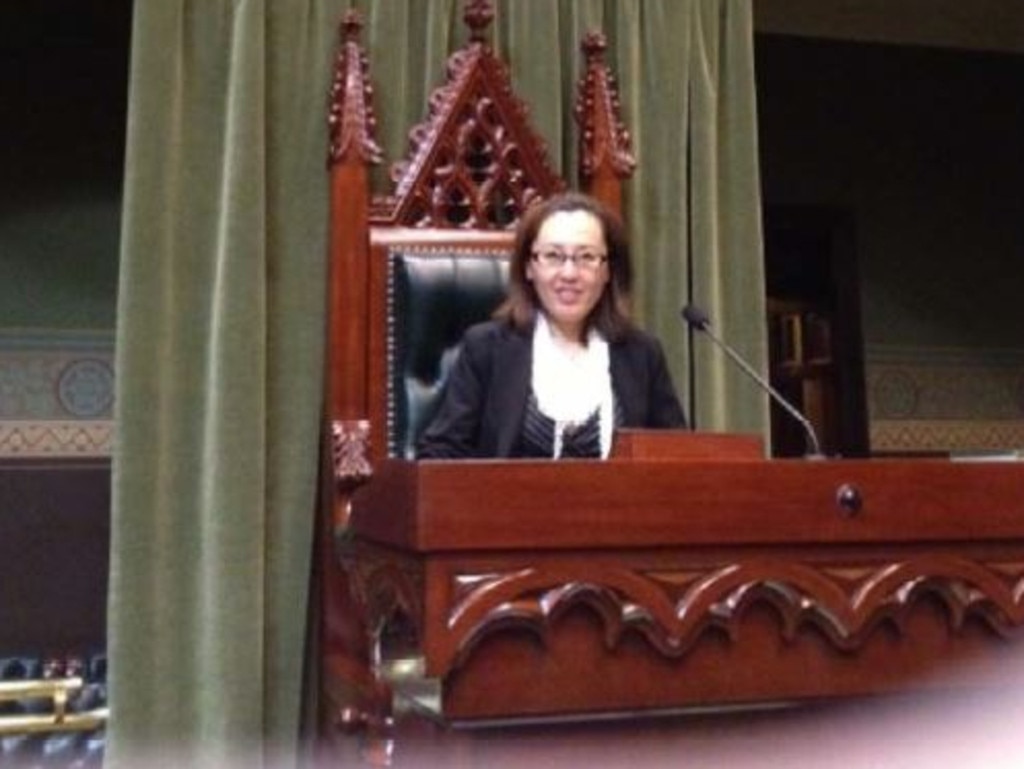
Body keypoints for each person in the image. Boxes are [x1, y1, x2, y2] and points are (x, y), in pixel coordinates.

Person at [416, 191, 687, 459]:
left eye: (586, 257)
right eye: (553, 256)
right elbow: (440, 454)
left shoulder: (642, 354)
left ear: (607, 271)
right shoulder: (486, 348)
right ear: (529, 267)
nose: (569, 273)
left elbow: (676, 459)